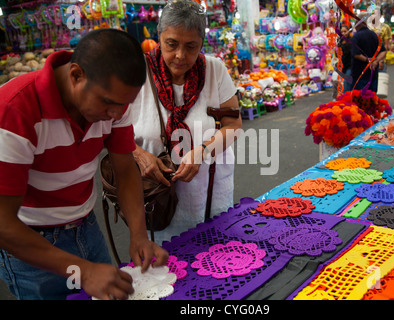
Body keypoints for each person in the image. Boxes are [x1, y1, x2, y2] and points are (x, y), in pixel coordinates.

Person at [0, 28, 168, 300]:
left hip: (86, 229)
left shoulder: (115, 100)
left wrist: (138, 235)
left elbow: (125, 169)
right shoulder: (13, 111)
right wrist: (84, 271)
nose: (115, 114)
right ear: (76, 75)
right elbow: (3, 225)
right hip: (30, 245)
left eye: (124, 105)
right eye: (108, 104)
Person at [129, 0, 242, 244]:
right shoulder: (136, 72)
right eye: (172, 44)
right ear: (159, 37)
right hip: (156, 201)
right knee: (168, 271)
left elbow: (233, 126)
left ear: (202, 43)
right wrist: (139, 154)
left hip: (211, 195)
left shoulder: (215, 70)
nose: (180, 55)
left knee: (216, 260)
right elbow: (110, 130)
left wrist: (202, 152)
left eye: (191, 47)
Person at [350, 13, 387, 93]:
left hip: (360, 75)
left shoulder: (356, 37)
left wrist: (368, 60)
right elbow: (383, 51)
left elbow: (356, 54)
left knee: (360, 99)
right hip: (373, 74)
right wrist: (376, 61)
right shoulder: (374, 35)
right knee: (372, 98)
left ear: (358, 23)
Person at [338, 24, 353, 93]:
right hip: (342, 66)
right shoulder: (339, 42)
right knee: (343, 83)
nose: (343, 33)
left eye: (345, 31)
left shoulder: (351, 41)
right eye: (342, 32)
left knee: (347, 83)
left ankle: (346, 98)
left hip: (350, 65)